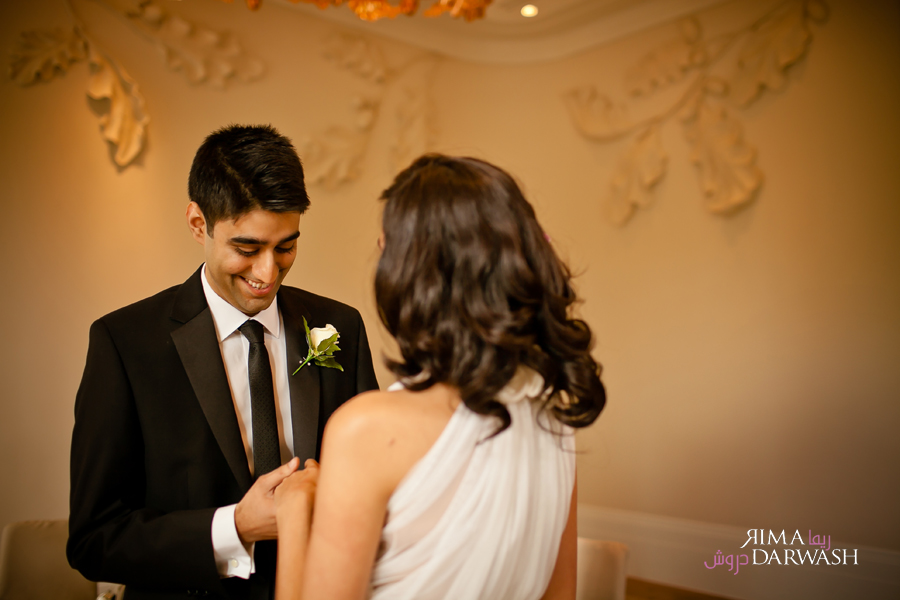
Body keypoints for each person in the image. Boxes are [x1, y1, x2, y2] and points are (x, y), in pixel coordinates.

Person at [67, 124, 379, 600]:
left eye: (286, 246)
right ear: (199, 224)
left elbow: (370, 485)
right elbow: (94, 540)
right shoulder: (124, 343)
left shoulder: (341, 328)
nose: (267, 273)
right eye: (247, 249)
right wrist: (236, 527)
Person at [272, 154, 606, 600]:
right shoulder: (554, 419)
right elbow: (560, 594)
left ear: (412, 278)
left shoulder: (366, 429)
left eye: (386, 248)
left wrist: (294, 510)